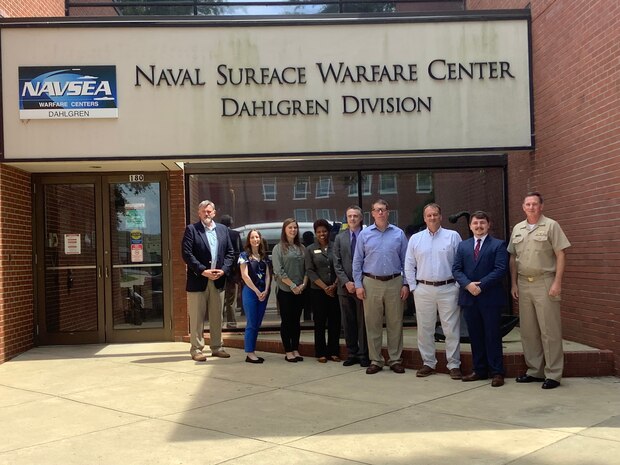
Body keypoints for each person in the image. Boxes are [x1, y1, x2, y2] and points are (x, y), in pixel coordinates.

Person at [508, 192, 571, 390]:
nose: (531, 207)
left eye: (535, 204)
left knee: (549, 330)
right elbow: (512, 257)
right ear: (523, 207)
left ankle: (553, 374)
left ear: (541, 206)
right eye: (528, 204)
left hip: (545, 282)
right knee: (528, 331)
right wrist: (513, 284)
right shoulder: (518, 228)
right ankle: (535, 371)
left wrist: (557, 282)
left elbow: (560, 254)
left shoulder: (551, 226)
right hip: (523, 283)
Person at [405, 203, 462, 379]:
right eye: (429, 215)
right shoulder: (416, 239)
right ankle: (428, 363)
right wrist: (414, 288)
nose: (432, 218)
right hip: (423, 289)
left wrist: (457, 286)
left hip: (448, 288)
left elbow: (461, 263)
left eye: (435, 215)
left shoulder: (453, 236)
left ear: (441, 216)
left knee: (451, 329)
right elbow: (408, 265)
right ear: (424, 218)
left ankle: (453, 365)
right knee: (425, 329)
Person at [352, 199, 409, 374]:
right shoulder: (365, 234)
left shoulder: (399, 234)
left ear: (388, 212)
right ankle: (376, 360)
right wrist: (358, 285)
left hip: (394, 282)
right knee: (372, 323)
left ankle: (395, 359)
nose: (381, 213)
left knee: (395, 322)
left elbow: (407, 261)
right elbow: (357, 261)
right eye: (377, 210)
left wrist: (406, 283)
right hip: (371, 282)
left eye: (383, 209)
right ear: (373, 213)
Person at [452, 211, 509, 387]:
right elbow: (456, 269)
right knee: (475, 336)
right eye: (475, 223)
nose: (479, 226)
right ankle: (479, 370)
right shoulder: (463, 246)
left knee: (492, 335)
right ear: (470, 226)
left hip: (490, 298)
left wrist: (481, 285)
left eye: (482, 223)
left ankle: (497, 372)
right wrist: (468, 285)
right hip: (469, 298)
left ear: (488, 224)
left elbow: (500, 269)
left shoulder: (498, 245)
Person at [181, 200, 234, 362]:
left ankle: (217, 347)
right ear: (199, 213)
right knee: (197, 317)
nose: (207, 214)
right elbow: (186, 254)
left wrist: (223, 270)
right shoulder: (192, 230)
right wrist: (203, 271)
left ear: (214, 213)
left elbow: (230, 253)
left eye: (209, 211)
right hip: (199, 280)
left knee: (217, 316)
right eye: (204, 211)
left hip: (218, 279)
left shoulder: (223, 230)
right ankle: (196, 349)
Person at [333, 205, 369, 367]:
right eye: (349, 216)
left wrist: (359, 282)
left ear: (361, 218)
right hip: (345, 288)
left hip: (364, 287)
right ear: (346, 219)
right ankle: (352, 353)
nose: (352, 219)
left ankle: (364, 354)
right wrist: (346, 282)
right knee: (348, 322)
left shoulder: (368, 236)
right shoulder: (340, 238)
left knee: (363, 323)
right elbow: (337, 262)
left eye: (355, 216)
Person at [272, 218, 308, 363]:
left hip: (300, 290)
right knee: (287, 321)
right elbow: (278, 271)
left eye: (295, 228)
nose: (293, 230)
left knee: (296, 321)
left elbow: (307, 269)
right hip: (285, 291)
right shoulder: (278, 248)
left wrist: (303, 285)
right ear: (284, 230)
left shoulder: (302, 248)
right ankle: (288, 351)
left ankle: (295, 348)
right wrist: (292, 285)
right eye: (290, 228)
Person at [305, 219, 341, 363]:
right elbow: (310, 270)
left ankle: (334, 352)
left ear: (329, 232)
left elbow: (339, 267)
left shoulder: (335, 246)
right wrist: (324, 287)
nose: (322, 234)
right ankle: (320, 352)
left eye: (324, 231)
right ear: (315, 233)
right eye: (319, 232)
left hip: (335, 289)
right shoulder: (310, 249)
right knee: (319, 322)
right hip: (318, 291)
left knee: (335, 322)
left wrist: (334, 285)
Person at [238, 229, 271, 364]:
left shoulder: (265, 256)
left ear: (260, 239)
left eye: (257, 237)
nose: (255, 239)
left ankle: (253, 351)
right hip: (251, 292)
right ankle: (249, 353)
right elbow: (244, 276)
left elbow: (269, 275)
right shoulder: (244, 255)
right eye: (252, 237)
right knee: (251, 323)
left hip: (263, 292)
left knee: (257, 323)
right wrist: (257, 291)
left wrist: (266, 290)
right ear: (249, 240)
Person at [220, 214, 242, 329]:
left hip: (218, 271)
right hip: (232, 272)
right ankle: (231, 323)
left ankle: (218, 323)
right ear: (231, 223)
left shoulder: (217, 233)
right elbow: (239, 253)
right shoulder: (234, 234)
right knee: (231, 300)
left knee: (219, 299)